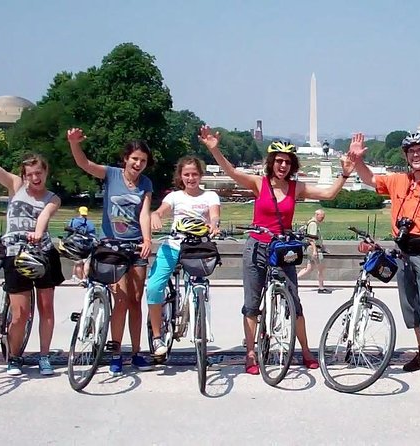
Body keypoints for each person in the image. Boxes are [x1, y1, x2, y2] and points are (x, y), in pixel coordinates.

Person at [198, 126, 355, 375]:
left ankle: (304, 350)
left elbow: (329, 193)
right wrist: (215, 149)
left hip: (282, 250)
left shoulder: (296, 188)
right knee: (251, 305)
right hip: (256, 248)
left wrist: (345, 174)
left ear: (292, 165)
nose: (283, 165)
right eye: (279, 160)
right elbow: (230, 171)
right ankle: (250, 354)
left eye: (287, 161)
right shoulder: (258, 183)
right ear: (272, 162)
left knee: (295, 303)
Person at [348, 132, 420, 383]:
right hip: (403, 252)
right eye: (411, 151)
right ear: (406, 156)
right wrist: (357, 161)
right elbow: (370, 179)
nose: (416, 155)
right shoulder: (399, 181)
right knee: (411, 305)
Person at [67, 128, 153, 376]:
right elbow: (85, 164)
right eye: (135, 158)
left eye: (143, 161)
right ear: (126, 158)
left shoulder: (145, 183)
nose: (138, 164)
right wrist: (74, 144)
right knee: (122, 300)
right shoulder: (112, 175)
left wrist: (147, 238)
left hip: (136, 244)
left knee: (136, 300)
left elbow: (144, 212)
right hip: (112, 244)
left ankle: (136, 352)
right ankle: (116, 352)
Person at [0, 154, 64, 376]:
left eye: (38, 173)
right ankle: (14, 357)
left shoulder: (53, 198)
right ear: (24, 176)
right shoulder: (16, 185)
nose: (34, 178)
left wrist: (38, 233)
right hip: (15, 253)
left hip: (42, 254)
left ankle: (44, 356)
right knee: (20, 313)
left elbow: (44, 215)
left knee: (46, 308)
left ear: (45, 172)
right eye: (29, 174)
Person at [147, 156, 221, 356]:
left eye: (194, 174)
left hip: (196, 248)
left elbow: (214, 214)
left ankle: (201, 327)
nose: (191, 178)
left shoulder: (210, 196)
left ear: (201, 175)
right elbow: (162, 210)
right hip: (173, 246)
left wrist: (214, 224)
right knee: (154, 287)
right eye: (187, 174)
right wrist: (156, 215)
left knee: (200, 285)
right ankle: (156, 337)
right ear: (180, 176)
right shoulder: (174, 196)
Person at [297, 209, 329, 293]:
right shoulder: (313, 224)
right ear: (317, 215)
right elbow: (311, 239)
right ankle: (321, 288)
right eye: (321, 217)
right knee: (320, 268)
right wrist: (315, 250)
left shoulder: (313, 223)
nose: (322, 219)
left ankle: (293, 280)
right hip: (313, 249)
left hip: (312, 248)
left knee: (309, 268)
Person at [68, 206, 96, 283]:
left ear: (79, 212)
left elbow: (68, 233)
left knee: (78, 263)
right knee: (86, 262)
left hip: (76, 244)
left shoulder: (73, 221)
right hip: (87, 244)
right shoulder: (90, 223)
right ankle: (84, 279)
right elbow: (93, 234)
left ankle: (80, 280)